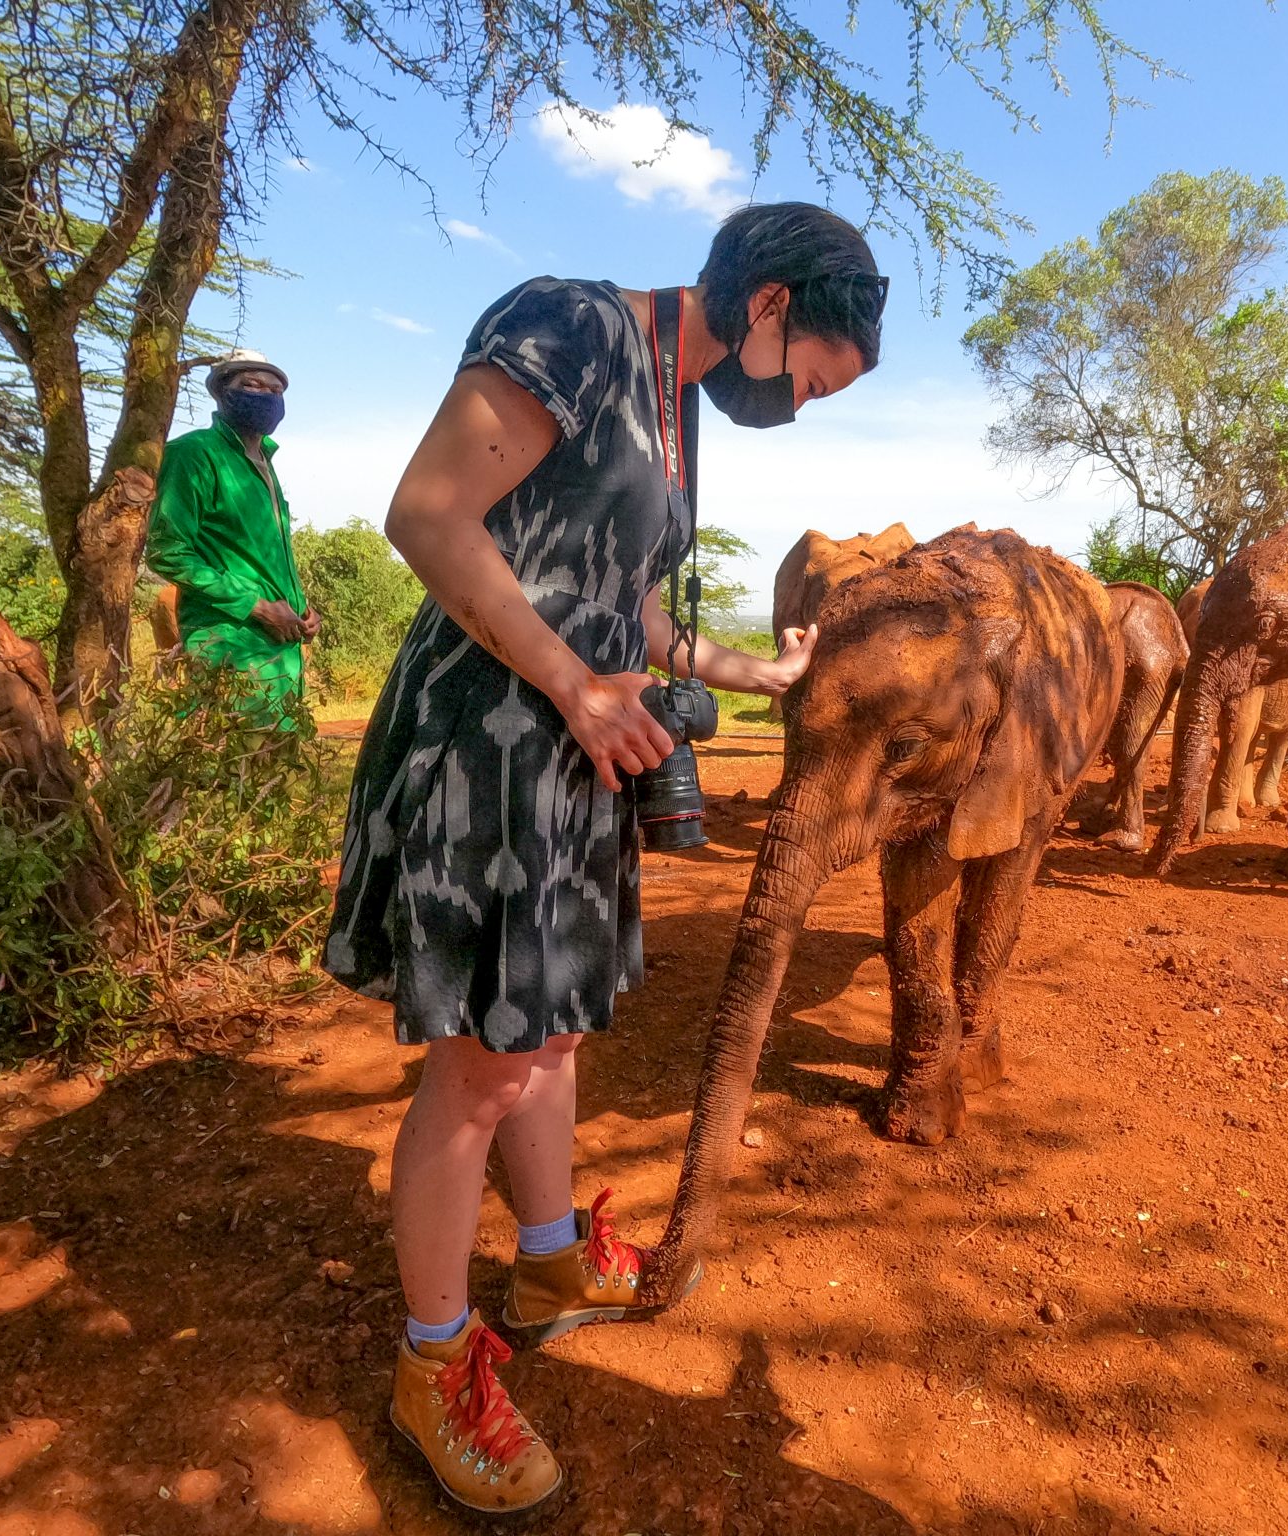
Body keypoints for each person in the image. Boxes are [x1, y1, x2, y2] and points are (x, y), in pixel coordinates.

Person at [322, 203, 887, 1515]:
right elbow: (428, 514)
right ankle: (432, 1362)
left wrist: (738, 666)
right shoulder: (570, 326)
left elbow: (615, 590)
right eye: (806, 379)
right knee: (478, 1072)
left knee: (554, 1038)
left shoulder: (669, 401)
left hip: (579, 752)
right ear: (767, 308)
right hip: (487, 750)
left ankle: (548, 1260)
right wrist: (578, 685)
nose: (795, 406)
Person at [143, 351, 318, 717]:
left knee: (276, 765)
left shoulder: (266, 464)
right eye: (251, 385)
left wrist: (301, 608)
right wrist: (257, 606)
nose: (265, 395)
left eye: (274, 389)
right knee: (228, 765)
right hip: (231, 647)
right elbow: (167, 551)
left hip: (281, 658)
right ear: (222, 392)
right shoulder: (193, 454)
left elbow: (263, 558)